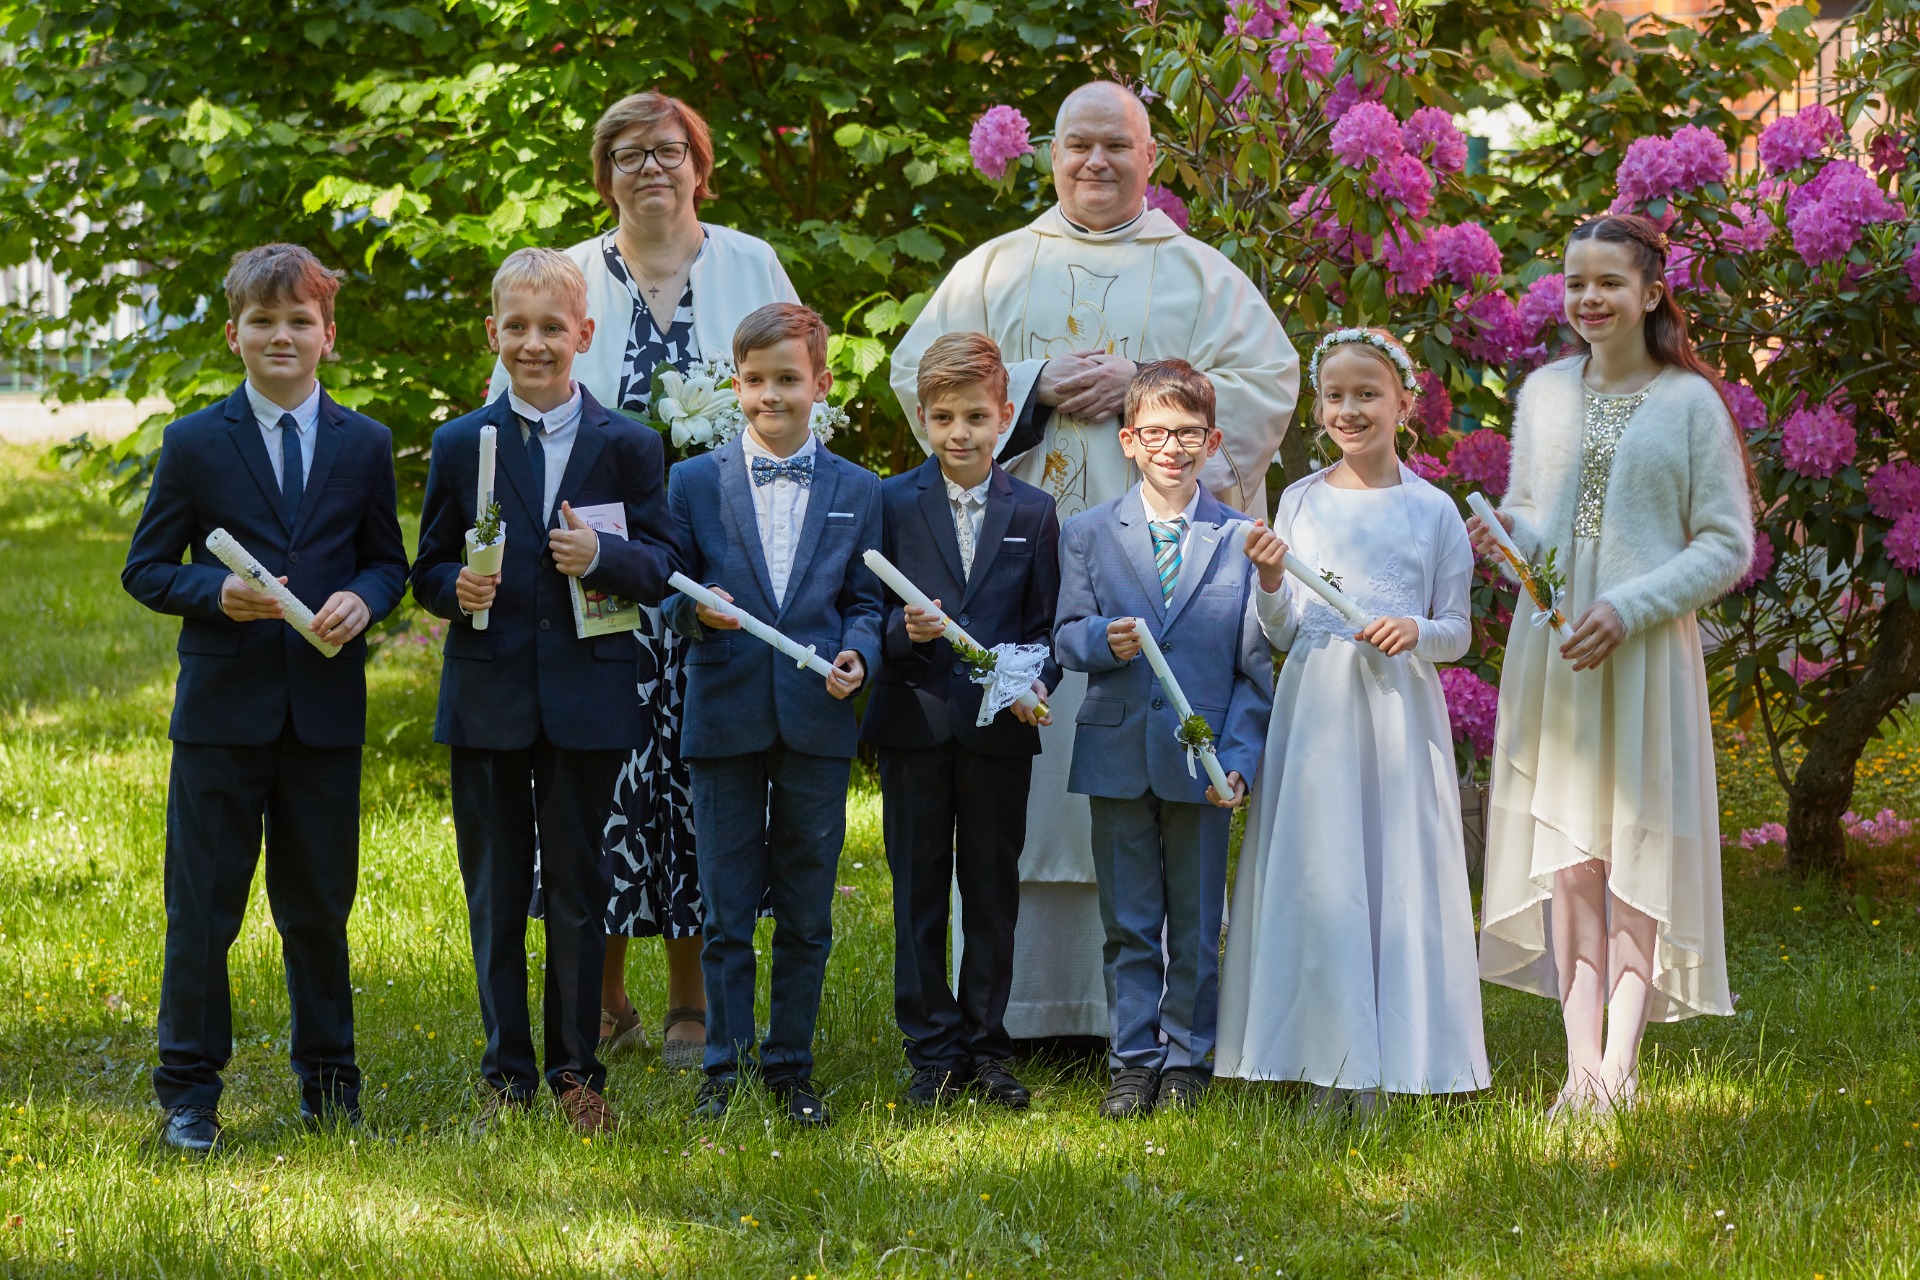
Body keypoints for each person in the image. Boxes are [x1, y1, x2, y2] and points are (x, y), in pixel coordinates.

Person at [888, 80, 1298, 1044]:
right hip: (1015, 582)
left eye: (1117, 144)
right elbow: (917, 374)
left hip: (1150, 592)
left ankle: (1142, 1022)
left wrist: (1140, 388)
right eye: (1079, 144)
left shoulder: (1201, 276)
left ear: (1150, 158)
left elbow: (1269, 386)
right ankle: (1014, 1010)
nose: (1097, 161)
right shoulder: (994, 269)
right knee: (1016, 799)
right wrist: (1030, 385)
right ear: (1052, 155)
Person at [490, 91, 800, 1068]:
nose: (651, 168)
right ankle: (604, 995)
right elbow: (514, 426)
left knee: (701, 773)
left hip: (718, 563)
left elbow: (795, 395)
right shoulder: (570, 274)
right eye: (628, 154)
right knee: (606, 779)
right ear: (604, 175)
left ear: (699, 167)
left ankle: (691, 998)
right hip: (598, 575)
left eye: (668, 151)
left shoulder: (750, 265)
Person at [122, 244, 409, 1152]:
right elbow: (146, 568)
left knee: (319, 905)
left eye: (298, 321)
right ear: (233, 334)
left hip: (323, 712)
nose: (281, 336)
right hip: (222, 715)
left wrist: (365, 598)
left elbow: (387, 561)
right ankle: (188, 1093)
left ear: (328, 334)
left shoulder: (364, 443)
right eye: (263, 322)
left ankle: (330, 1084)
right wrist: (215, 592)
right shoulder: (195, 442)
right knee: (203, 907)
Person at [1473, 213, 1754, 1116]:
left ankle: (1621, 1068)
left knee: (1634, 844)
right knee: (1570, 857)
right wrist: (1504, 537)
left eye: (1608, 283)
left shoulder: (1691, 404)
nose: (1589, 299)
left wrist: (1629, 608)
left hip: (1640, 650)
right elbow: (1532, 513)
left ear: (1651, 293)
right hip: (1555, 648)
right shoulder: (1543, 393)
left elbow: (1727, 545)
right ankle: (1580, 1067)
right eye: (1575, 283)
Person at [414, 248, 676, 1136]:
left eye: (552, 328)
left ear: (583, 334)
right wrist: (456, 588)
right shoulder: (461, 445)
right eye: (518, 328)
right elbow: (426, 567)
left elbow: (665, 564)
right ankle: (506, 1072)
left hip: (586, 699)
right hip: (487, 699)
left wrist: (603, 556)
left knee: (577, 882)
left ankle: (574, 1069)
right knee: (494, 888)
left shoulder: (629, 446)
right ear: (494, 333)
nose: (535, 344)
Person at [1217, 329, 1489, 1110]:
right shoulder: (1300, 500)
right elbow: (1280, 631)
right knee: (1322, 870)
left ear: (1404, 403)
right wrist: (1272, 581)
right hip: (1318, 714)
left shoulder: (1431, 510)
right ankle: (1317, 1056)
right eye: (1334, 395)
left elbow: (1458, 632)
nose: (1349, 409)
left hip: (1396, 715)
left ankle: (1397, 1059)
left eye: (1367, 394)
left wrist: (1415, 630)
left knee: (1390, 867)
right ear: (1317, 408)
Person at [663, 302, 883, 1127]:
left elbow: (866, 602)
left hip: (818, 716)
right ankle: (724, 1068)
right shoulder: (693, 482)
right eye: (755, 380)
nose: (771, 395)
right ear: (735, 386)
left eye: (788, 379)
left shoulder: (859, 488)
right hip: (723, 714)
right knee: (725, 909)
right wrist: (695, 610)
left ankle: (791, 1066)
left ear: (820, 384)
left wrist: (861, 653)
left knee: (806, 908)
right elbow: (665, 591)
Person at [1052, 360, 1273, 1118]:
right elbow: (1065, 635)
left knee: (1198, 920)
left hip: (1201, 764)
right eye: (1154, 434)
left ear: (1212, 441)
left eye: (1187, 433)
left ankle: (1186, 1059)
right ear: (1128, 441)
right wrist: (1100, 641)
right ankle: (1132, 1060)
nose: (1171, 448)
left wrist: (1236, 760)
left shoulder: (1239, 539)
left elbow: (1253, 670)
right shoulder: (1087, 533)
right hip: (1116, 754)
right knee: (1129, 922)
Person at [860, 332, 1061, 1110]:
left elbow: (1045, 627)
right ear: (923, 419)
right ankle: (932, 1051)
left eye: (976, 417)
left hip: (1000, 731)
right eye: (944, 418)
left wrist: (1032, 681)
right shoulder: (889, 503)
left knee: (991, 890)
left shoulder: (1034, 512)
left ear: (1005, 416)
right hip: (914, 724)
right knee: (917, 891)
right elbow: (863, 609)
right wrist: (898, 632)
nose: (960, 433)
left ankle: (986, 1047)